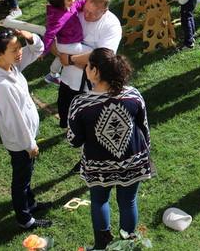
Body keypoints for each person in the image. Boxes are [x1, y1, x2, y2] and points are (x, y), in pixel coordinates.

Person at [67, 49, 152, 251]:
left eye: (88, 66)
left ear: (95, 71)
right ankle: (128, 244)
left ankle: (101, 245)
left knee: (99, 201)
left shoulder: (81, 104)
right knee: (128, 202)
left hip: (99, 165)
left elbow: (74, 141)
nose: (86, 69)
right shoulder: (133, 95)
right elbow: (145, 130)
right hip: (132, 161)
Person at [0, 28, 53, 229]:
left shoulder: (10, 66)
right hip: (20, 142)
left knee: (25, 176)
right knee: (21, 181)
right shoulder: (2, 84)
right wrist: (29, 145)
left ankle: (30, 203)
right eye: (14, 49)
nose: (20, 52)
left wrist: (31, 37)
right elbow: (15, 120)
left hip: (24, 138)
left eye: (19, 47)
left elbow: (38, 50)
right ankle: (25, 220)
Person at [54, 0, 123, 130]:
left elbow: (104, 55)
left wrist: (71, 59)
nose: (86, 15)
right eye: (85, 9)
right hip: (67, 79)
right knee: (66, 114)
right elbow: (52, 41)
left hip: (91, 85)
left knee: (89, 122)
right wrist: (62, 56)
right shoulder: (75, 11)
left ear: (104, 11)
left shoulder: (111, 25)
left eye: (92, 14)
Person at [41, 0, 86, 87]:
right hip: (67, 44)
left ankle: (52, 75)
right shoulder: (57, 16)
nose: (73, 1)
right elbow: (49, 34)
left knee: (60, 58)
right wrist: (43, 51)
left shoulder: (70, 6)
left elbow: (79, 3)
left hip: (69, 42)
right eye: (69, 0)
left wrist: (91, 2)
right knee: (90, 52)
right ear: (59, 1)